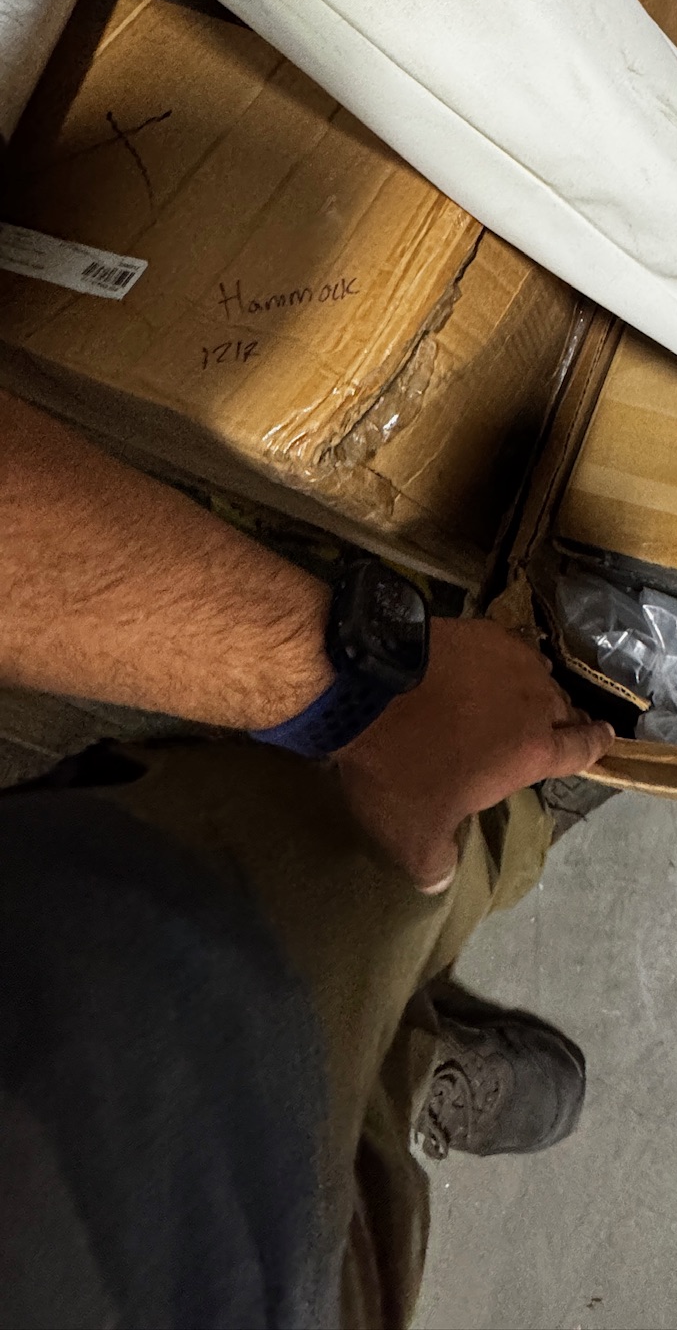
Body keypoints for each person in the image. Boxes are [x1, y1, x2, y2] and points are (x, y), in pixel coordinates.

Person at [0, 384, 616, 1329]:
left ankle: (501, 823)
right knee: (361, 1182)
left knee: (368, 861)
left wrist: (359, 698)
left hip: (139, 984)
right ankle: (399, 1068)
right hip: (295, 1276)